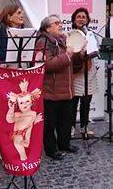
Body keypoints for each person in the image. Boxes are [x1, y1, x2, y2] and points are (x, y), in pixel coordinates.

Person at [33, 14, 80, 160]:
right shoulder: (42, 42)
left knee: (65, 120)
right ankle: (51, 149)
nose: (60, 25)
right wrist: (68, 55)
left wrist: (79, 52)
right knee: (50, 123)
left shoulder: (64, 40)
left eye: (60, 22)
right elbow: (47, 65)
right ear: (47, 27)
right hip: (51, 91)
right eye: (56, 23)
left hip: (66, 89)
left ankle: (64, 144)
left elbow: (73, 62)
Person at [70, 7, 98, 137]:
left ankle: (84, 127)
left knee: (86, 101)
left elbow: (94, 51)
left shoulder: (90, 34)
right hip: (76, 72)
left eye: (83, 17)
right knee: (73, 102)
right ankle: (70, 129)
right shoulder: (70, 34)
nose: (81, 19)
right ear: (74, 20)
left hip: (89, 70)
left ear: (87, 20)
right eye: (78, 17)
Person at [6, 79, 43, 161]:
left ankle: (24, 158)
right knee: (17, 142)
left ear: (32, 103)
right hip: (18, 135)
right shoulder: (17, 114)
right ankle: (23, 157)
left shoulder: (33, 113)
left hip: (27, 135)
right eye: (21, 103)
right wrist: (11, 109)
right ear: (18, 106)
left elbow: (30, 123)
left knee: (20, 143)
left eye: (27, 101)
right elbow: (9, 120)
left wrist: (36, 120)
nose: (25, 104)